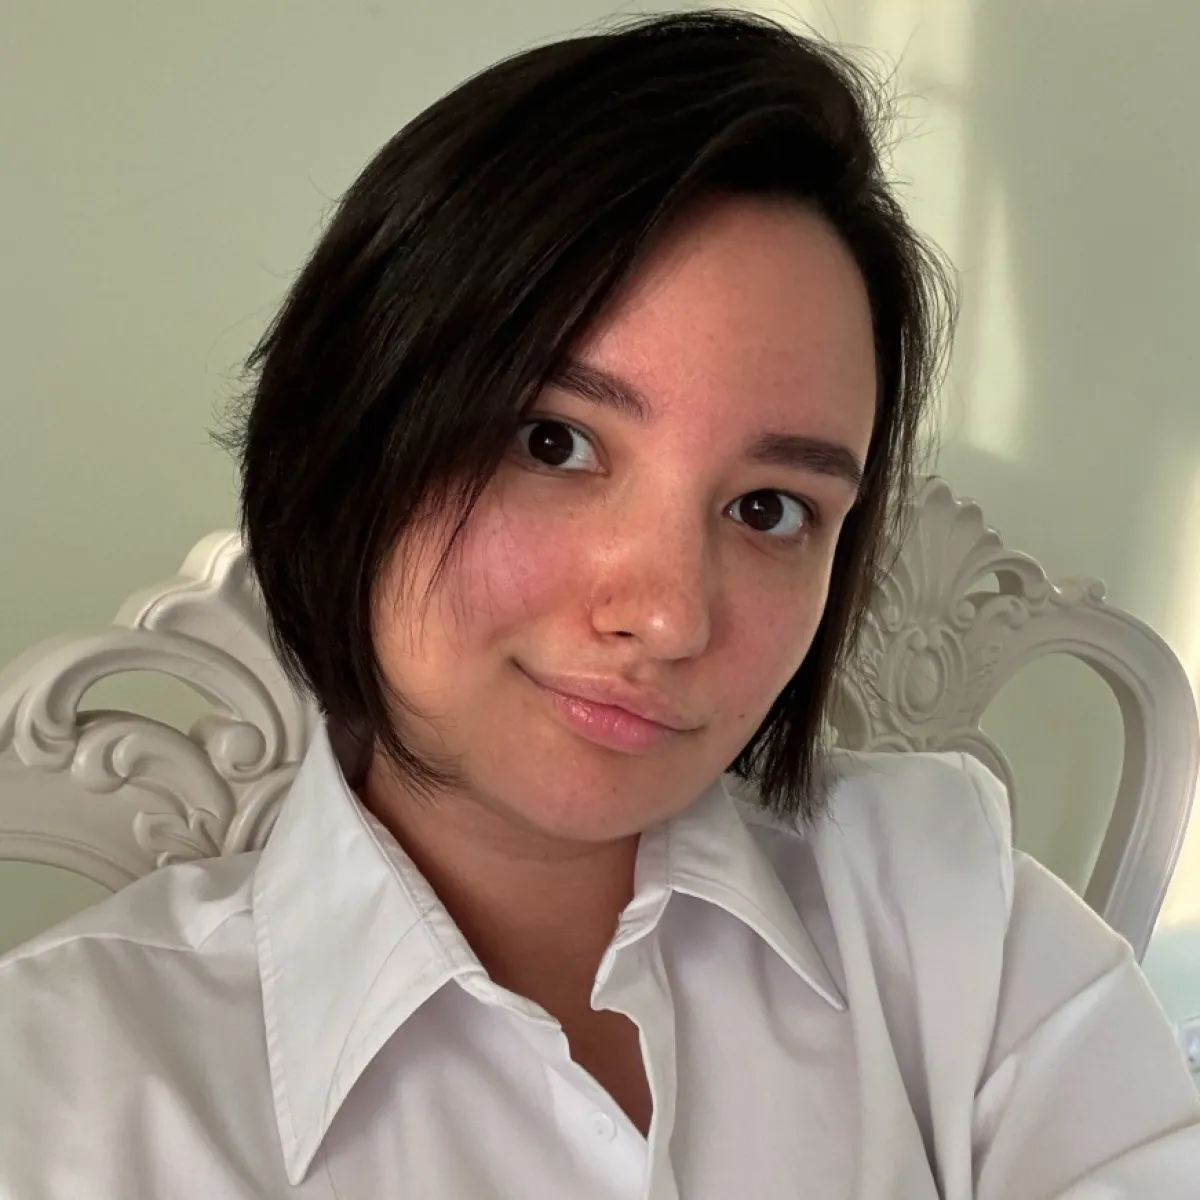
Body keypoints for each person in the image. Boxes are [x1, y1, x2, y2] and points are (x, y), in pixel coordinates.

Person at [1, 9, 1197, 1198]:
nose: (668, 618)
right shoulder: (65, 1088)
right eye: (553, 441)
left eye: (770, 508)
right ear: (352, 426)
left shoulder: (952, 912)